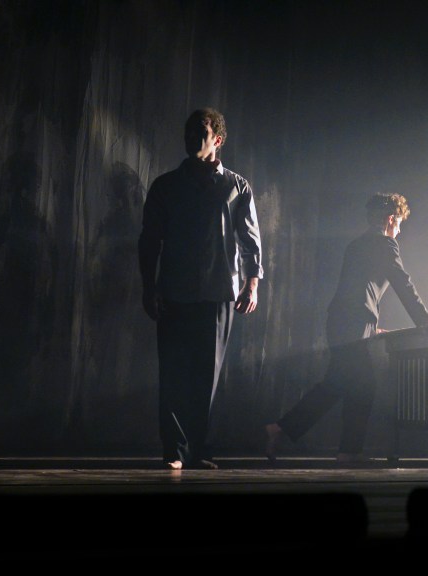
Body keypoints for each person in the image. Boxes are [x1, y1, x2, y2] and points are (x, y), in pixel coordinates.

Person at [264, 192, 428, 463]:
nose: (399, 231)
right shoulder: (385, 244)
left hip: (343, 322)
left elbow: (358, 289)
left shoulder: (357, 244)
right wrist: (425, 321)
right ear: (390, 219)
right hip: (352, 324)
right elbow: (403, 283)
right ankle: (343, 450)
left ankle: (299, 435)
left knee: (339, 384)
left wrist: (370, 327)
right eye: (399, 224)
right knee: (359, 385)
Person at [138, 107, 263, 470]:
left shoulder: (236, 186)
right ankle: (174, 452)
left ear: (217, 140)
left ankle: (195, 450)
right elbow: (149, 240)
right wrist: (149, 286)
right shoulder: (165, 186)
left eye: (201, 132)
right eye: (189, 132)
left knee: (206, 377)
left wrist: (252, 284)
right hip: (174, 291)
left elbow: (250, 240)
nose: (192, 138)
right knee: (173, 374)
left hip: (217, 291)